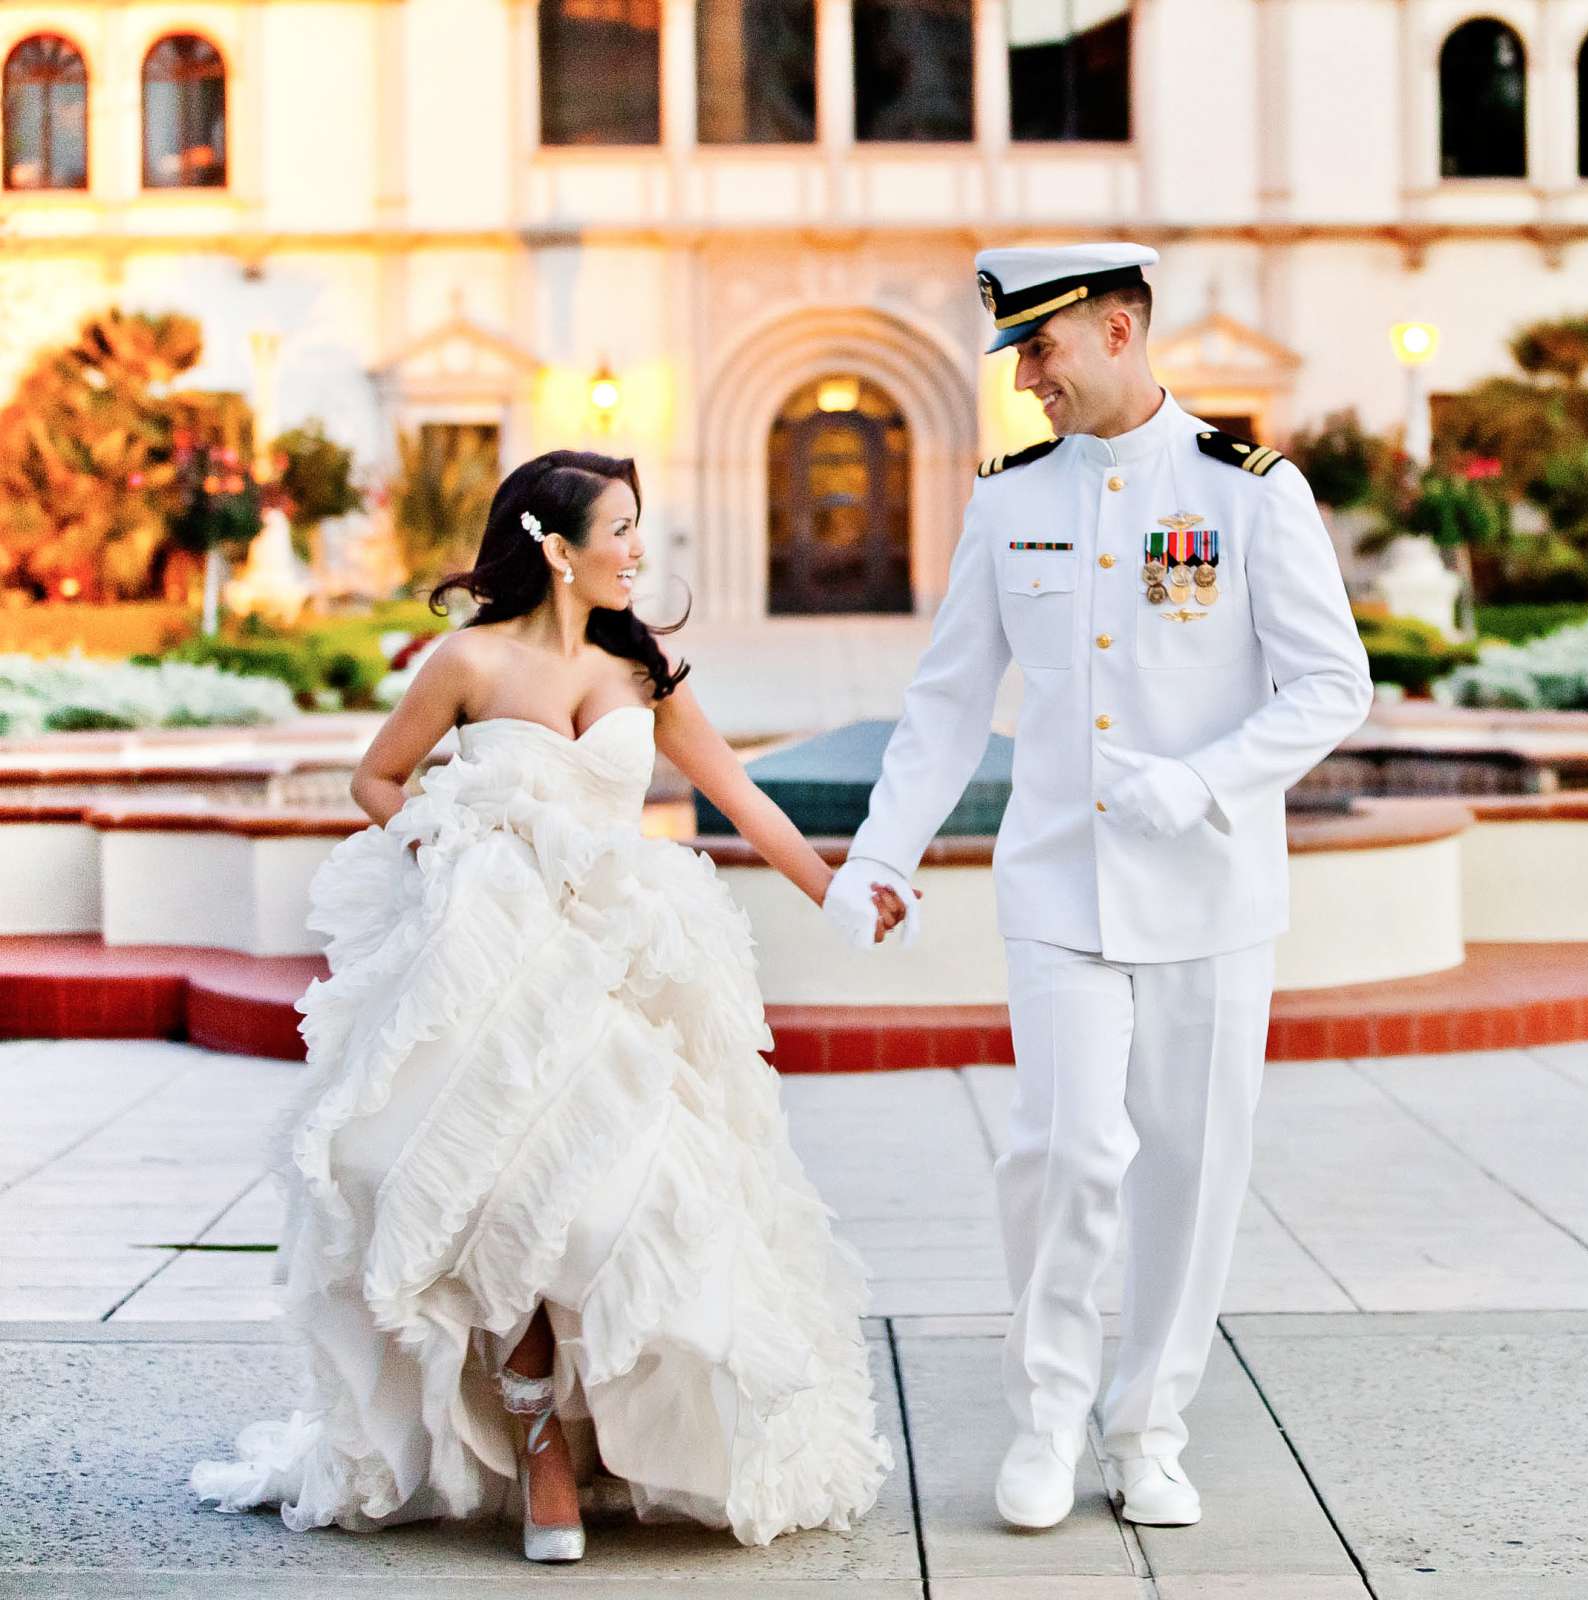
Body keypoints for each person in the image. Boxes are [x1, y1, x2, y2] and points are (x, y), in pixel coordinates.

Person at [191, 450, 900, 1561]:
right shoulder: (465, 660)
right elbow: (377, 779)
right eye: (621, 529)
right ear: (558, 550)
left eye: (639, 527)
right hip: (491, 960)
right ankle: (539, 1450)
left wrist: (840, 887)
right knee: (477, 1180)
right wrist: (440, 832)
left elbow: (738, 791)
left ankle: (618, 1432)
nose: (637, 550)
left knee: (623, 1200)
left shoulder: (645, 672)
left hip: (617, 961)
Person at [822, 244, 1374, 1530]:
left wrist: (1214, 780)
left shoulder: (1250, 492)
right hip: (1060, 887)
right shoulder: (1011, 499)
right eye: (1018, 353)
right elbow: (952, 698)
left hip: (1212, 894)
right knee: (1065, 1155)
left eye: (1041, 349)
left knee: (1190, 1168)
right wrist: (884, 851)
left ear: (1118, 329)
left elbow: (1330, 684)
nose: (1024, 380)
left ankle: (1149, 1426)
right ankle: (1048, 1415)